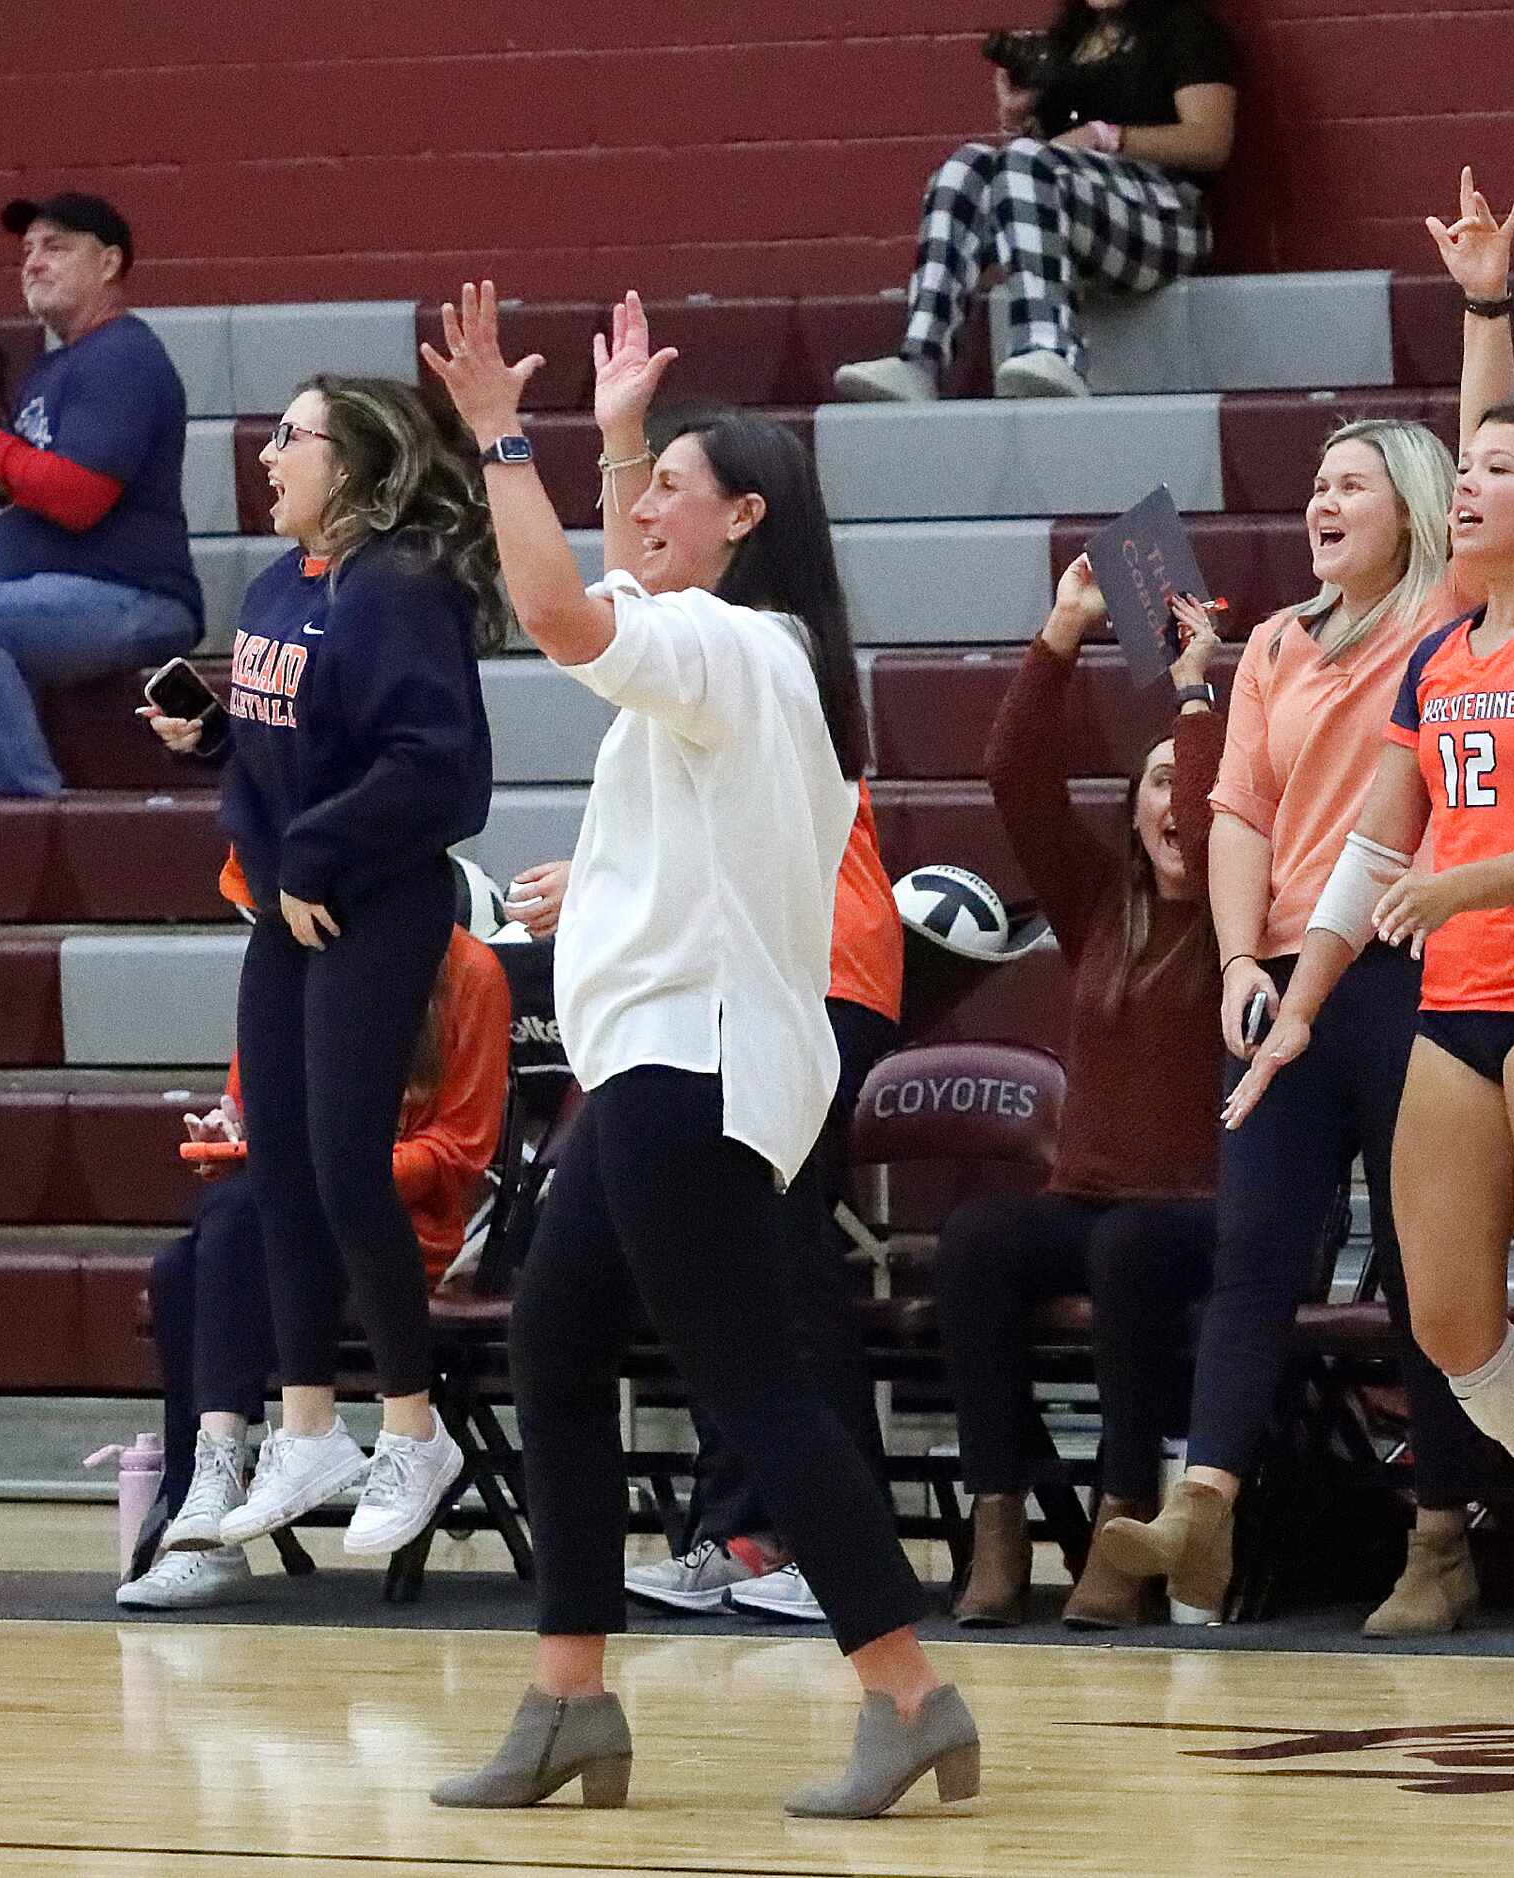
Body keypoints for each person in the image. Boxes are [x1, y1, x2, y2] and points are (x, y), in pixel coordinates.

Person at [422, 286, 972, 1817]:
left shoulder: (731, 646)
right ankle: (570, 1698)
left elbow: (558, 612)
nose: (644, 505)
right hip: (668, 1057)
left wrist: (498, 438)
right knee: (554, 1334)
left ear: (743, 517)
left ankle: (908, 1692)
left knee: (750, 1379)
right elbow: (615, 587)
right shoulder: (739, 642)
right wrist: (613, 443)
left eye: (672, 485)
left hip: (695, 1063)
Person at [1091, 172, 1514, 1636]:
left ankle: (1441, 1535)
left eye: (1349, 484)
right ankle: (1201, 1511)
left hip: (1410, 966)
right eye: (1313, 484)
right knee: (1253, 1248)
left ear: (1411, 510)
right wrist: (1229, 957)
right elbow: (1235, 811)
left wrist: (1480, 305)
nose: (1318, 501)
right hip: (1279, 971)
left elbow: (1491, 458)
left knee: (1421, 1268)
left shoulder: (1442, 612)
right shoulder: (1272, 637)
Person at [1224, 393, 1514, 1700]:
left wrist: (1459, 890)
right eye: (1466, 468)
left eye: (1500, 467)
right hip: (1460, 1006)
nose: (1470, 487)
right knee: (1448, 1321)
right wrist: (1304, 1000)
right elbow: (1374, 850)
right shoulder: (1439, 660)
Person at [136, 375, 502, 1567]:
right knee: (279, 1160)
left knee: (350, 1163)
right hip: (288, 906)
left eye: (292, 438)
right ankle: (307, 1428)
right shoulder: (270, 589)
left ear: (352, 462)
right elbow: (302, 744)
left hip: (375, 903)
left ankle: (412, 1428)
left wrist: (319, 848)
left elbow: (435, 765)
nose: (270, 456)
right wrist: (218, 740)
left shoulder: (398, 590)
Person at [512, 786, 905, 1625]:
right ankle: (741, 1536)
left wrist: (598, 882)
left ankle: (838, 1559)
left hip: (803, 977)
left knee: (784, 1268)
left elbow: (748, 829)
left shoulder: (746, 660)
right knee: (707, 1276)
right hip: (720, 990)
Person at [929, 564, 1224, 1629]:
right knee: (976, 1242)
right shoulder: (1101, 904)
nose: (1171, 802)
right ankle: (998, 1516)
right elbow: (1014, 778)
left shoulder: (1255, 921)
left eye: (1183, 783)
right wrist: (1060, 634)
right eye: (1149, 784)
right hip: (1097, 1194)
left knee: (1130, 1252)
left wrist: (1195, 691)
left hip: (1208, 1210)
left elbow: (1208, 806)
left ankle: (1124, 1515)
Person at [122, 902, 509, 1610]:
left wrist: (340, 1165)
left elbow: (463, 1152)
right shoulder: (290, 953)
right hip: (290, 1227)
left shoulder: (469, 971)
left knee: (237, 1223)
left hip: (398, 1230)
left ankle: (208, 1508)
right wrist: (228, 1135)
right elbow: (253, 1110)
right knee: (186, 1266)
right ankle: (207, 1508)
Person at [834, 0, 1238, 401]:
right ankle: (920, 359)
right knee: (966, 165)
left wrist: (1106, 137)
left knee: (1023, 158)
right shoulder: (1070, 43)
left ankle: (1050, 346)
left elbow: (1210, 142)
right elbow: (1038, 169)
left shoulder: (1188, 31)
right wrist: (1020, 120)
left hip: (1167, 219)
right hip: (1085, 230)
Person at [0, 192, 200, 797]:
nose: (32, 262)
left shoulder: (123, 356)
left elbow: (79, 497)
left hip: (132, 597)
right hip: (53, 599)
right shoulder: (51, 370)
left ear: (109, 263)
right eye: (27, 251)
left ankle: (34, 816)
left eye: (55, 247)